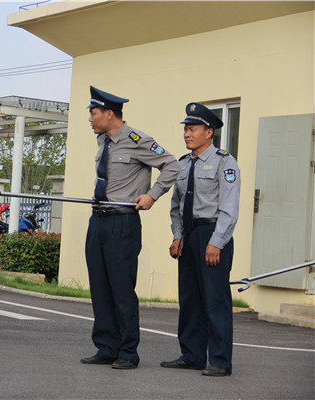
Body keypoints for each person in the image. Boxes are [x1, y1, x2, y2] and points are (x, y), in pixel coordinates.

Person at [81, 86, 180, 370]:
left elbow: (172, 165)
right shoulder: (103, 141)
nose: (90, 118)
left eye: (93, 113)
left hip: (122, 223)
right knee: (100, 288)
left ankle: (127, 351)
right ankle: (106, 347)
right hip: (98, 220)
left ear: (109, 114)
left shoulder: (137, 140)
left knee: (122, 289)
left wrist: (152, 195)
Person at [161, 102, 240, 377]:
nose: (186, 133)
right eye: (185, 129)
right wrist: (177, 236)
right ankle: (192, 355)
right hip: (189, 235)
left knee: (215, 300)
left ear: (208, 132)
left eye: (192, 129)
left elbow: (229, 208)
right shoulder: (183, 165)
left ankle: (220, 360)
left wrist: (217, 242)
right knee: (190, 299)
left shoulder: (225, 162)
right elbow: (176, 207)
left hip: (212, 234)